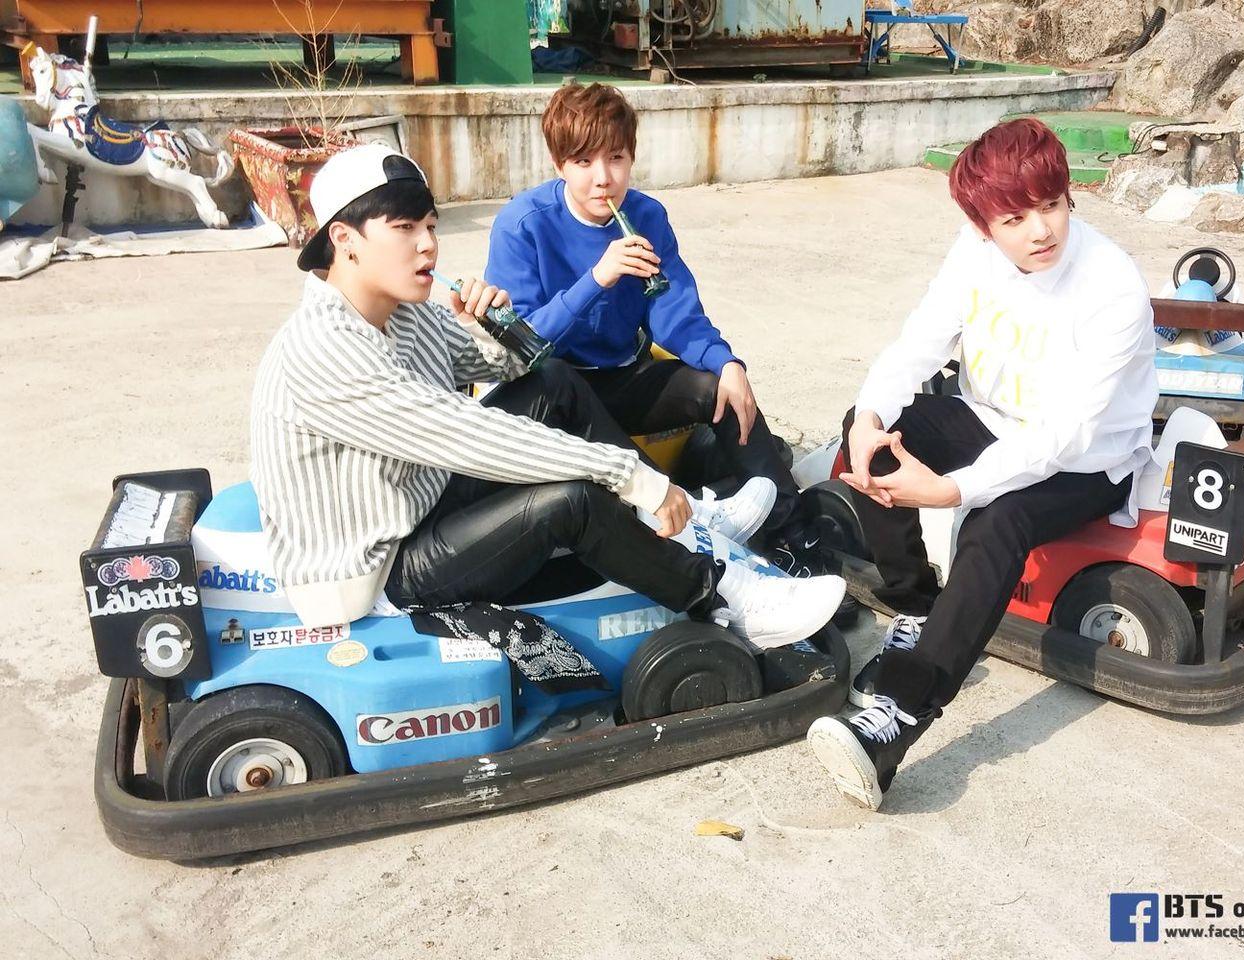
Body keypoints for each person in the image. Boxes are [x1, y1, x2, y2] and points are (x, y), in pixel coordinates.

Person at [250, 144, 845, 649]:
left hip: (421, 500)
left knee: (555, 382)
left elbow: (518, 367)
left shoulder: (402, 312)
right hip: (379, 569)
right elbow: (472, 435)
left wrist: (498, 324)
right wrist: (632, 477)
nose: (428, 245)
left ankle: (691, 520)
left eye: (430, 226)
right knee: (572, 501)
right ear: (345, 240)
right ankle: (723, 597)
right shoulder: (325, 351)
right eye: (404, 229)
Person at [806, 118, 1159, 809]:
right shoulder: (973, 253)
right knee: (868, 432)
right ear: (982, 224)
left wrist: (951, 490)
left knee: (997, 519)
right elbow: (918, 342)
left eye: (1051, 204)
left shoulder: (1113, 285)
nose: (1041, 231)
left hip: (1091, 459)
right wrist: (871, 415)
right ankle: (918, 609)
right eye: (1014, 218)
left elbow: (1065, 433)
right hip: (991, 421)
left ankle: (899, 721)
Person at [484, 82, 827, 576]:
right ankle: (689, 525)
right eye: (583, 162)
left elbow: (674, 313)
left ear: (631, 157)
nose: (603, 179)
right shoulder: (523, 224)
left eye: (616, 158)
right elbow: (522, 344)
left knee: (719, 388)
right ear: (559, 165)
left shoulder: (645, 216)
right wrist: (597, 278)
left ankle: (793, 537)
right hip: (556, 397)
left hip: (622, 377)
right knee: (558, 380)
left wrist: (726, 362)